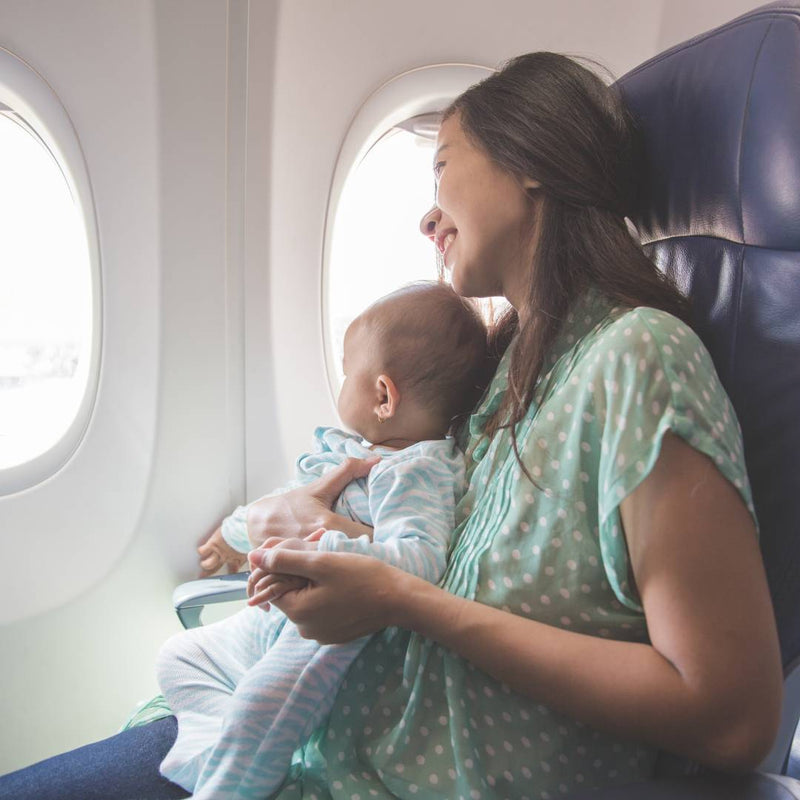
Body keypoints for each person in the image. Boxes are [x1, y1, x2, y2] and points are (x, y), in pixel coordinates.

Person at [0, 51, 782, 800]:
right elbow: (447, 552)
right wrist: (331, 533)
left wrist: (401, 601)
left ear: (531, 160)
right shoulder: (506, 371)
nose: (427, 215)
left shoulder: (639, 359)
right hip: (317, 750)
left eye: (442, 164)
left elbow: (729, 717)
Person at [153, 281, 491, 799]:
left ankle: (230, 781)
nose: (340, 383)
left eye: (346, 371)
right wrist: (231, 535)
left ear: (382, 395)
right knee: (179, 656)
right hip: (275, 616)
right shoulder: (354, 450)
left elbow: (420, 560)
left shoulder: (417, 470)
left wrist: (330, 544)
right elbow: (292, 500)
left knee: (258, 709)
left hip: (329, 632)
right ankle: (223, 751)